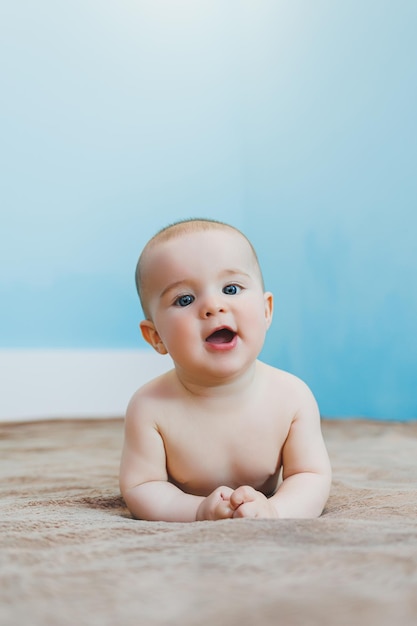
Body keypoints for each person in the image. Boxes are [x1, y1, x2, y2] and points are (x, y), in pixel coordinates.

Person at [119, 218, 332, 521]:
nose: (213, 306)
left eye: (231, 288)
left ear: (266, 310)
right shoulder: (150, 407)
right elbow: (142, 486)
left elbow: (310, 476)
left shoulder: (292, 397)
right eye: (185, 299)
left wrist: (276, 510)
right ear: (156, 337)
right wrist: (197, 510)